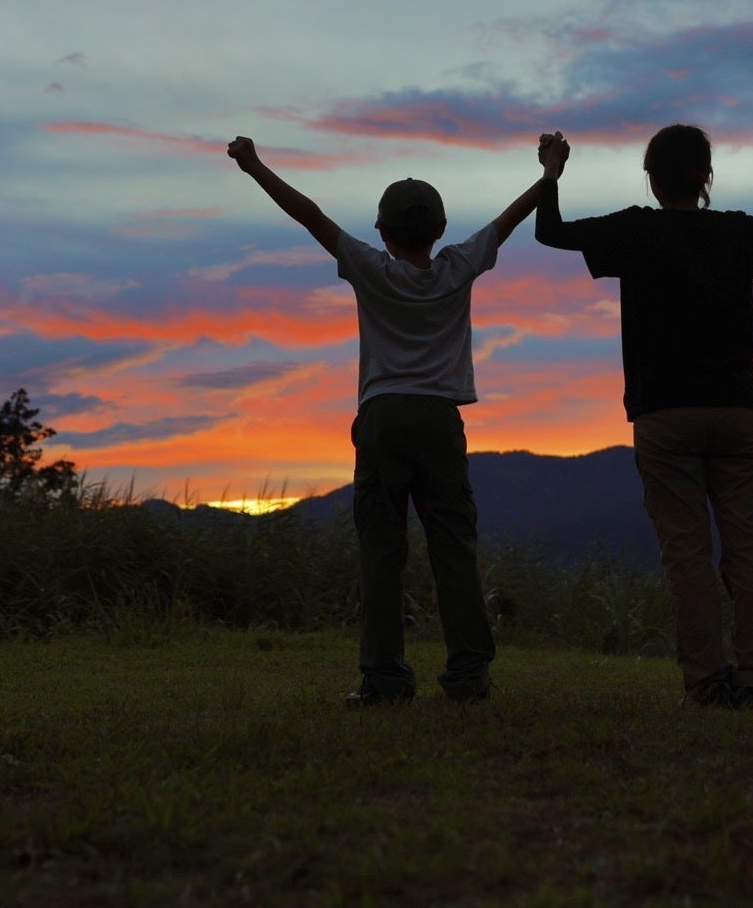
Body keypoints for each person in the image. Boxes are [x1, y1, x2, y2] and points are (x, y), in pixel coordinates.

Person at [228, 135, 545, 706]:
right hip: (439, 420)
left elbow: (311, 216)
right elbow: (508, 220)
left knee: (381, 552)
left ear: (382, 232)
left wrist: (254, 166)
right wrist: (550, 174)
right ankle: (469, 677)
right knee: (454, 549)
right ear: (439, 229)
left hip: (382, 417)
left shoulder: (370, 269)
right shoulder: (459, 267)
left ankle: (385, 680)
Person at [534, 123, 753, 707]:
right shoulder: (737, 231)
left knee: (687, 552)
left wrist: (552, 171)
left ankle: (708, 679)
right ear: (706, 175)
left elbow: (550, 232)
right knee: (749, 547)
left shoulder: (635, 229)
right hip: (737, 409)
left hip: (664, 412)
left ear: (652, 177)